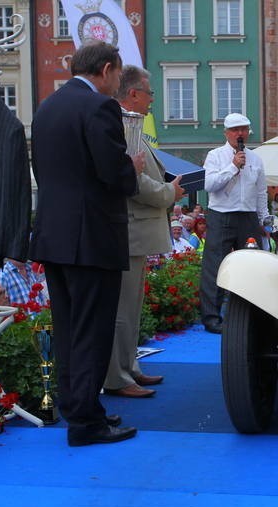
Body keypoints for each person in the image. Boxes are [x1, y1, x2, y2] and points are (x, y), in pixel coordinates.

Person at [29, 41, 142, 447]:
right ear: (108, 69)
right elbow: (112, 173)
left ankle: (78, 409)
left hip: (54, 235)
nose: (117, 83)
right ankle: (86, 424)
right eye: (117, 75)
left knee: (68, 329)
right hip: (91, 237)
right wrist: (131, 167)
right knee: (92, 332)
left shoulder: (47, 107)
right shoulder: (99, 108)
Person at [104, 65, 185, 399]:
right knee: (122, 311)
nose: (153, 99)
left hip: (135, 232)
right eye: (150, 92)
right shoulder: (125, 128)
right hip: (129, 231)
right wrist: (170, 194)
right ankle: (117, 376)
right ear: (134, 94)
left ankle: (129, 366)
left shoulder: (131, 127)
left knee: (131, 309)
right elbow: (133, 181)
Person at [200, 113, 269, 334]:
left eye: (244, 129)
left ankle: (252, 316)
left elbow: (261, 192)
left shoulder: (256, 159)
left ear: (248, 131)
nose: (240, 133)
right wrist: (232, 167)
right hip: (221, 215)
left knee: (252, 267)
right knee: (215, 266)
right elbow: (209, 184)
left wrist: (264, 220)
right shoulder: (215, 156)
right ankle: (212, 318)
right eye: (235, 129)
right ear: (227, 133)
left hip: (247, 216)